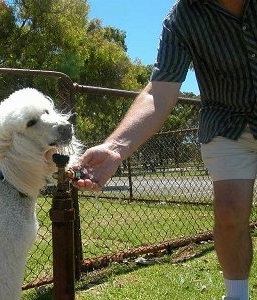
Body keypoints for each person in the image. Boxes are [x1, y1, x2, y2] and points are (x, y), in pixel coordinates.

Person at [74, 1, 256, 299]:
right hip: (227, 122)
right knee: (229, 211)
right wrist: (115, 147)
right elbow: (159, 91)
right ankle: (237, 295)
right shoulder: (183, 18)